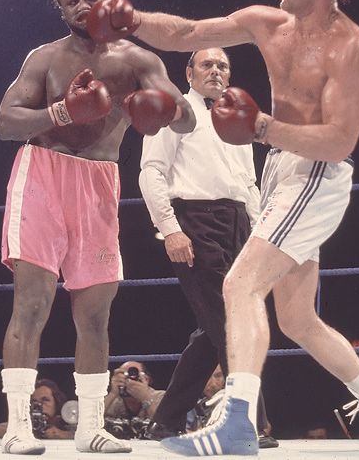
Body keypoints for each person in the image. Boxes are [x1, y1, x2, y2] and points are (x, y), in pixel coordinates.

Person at [85, 0, 359, 456]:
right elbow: (190, 31)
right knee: (297, 318)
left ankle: (237, 423)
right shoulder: (268, 23)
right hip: (281, 172)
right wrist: (135, 20)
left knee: (238, 287)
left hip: (315, 174)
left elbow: (340, 141)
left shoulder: (351, 49)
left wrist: (260, 127)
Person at [0, 0, 195, 455]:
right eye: (72, 2)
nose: (83, 7)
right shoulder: (45, 58)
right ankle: (17, 426)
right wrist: (61, 112)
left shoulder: (137, 59)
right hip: (42, 173)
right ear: (62, 11)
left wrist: (161, 107)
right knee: (33, 304)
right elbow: (5, 121)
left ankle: (89, 429)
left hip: (99, 183)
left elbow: (186, 120)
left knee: (96, 315)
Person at [138, 48, 276, 448]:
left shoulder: (239, 117)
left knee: (212, 330)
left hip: (239, 224)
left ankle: (165, 421)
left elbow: (247, 184)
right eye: (207, 65)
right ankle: (251, 423)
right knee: (232, 323)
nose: (215, 71)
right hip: (195, 221)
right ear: (190, 72)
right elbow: (151, 173)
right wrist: (170, 229)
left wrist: (260, 233)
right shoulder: (176, 113)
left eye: (222, 66)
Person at [0, 378, 73, 439]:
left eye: (45, 400)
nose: (39, 405)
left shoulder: (67, 421)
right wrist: (26, 430)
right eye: (34, 401)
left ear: (57, 403)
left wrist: (64, 435)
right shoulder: (25, 423)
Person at [103, 361, 165, 439]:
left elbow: (165, 426)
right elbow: (92, 420)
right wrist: (113, 393)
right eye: (123, 375)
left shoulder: (161, 397)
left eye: (134, 374)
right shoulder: (114, 401)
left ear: (146, 379)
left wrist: (146, 399)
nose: (129, 380)